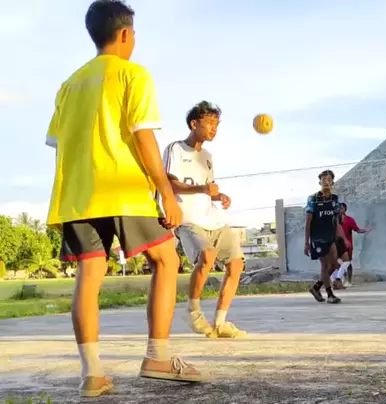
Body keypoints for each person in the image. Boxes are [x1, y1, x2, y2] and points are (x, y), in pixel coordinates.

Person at [45, 0, 205, 397]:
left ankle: (92, 374)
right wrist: (166, 193)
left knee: (89, 277)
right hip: (124, 188)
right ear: (124, 34)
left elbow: (58, 143)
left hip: (77, 195)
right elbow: (144, 137)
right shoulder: (133, 74)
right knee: (166, 260)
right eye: (134, 34)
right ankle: (158, 357)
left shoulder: (68, 85)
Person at [162, 101, 246, 339]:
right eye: (209, 123)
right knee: (207, 256)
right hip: (187, 219)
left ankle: (220, 323)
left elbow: (207, 188)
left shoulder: (207, 157)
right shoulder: (175, 149)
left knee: (236, 264)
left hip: (213, 218)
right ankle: (193, 312)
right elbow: (169, 184)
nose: (214, 128)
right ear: (193, 124)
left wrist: (219, 196)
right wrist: (202, 189)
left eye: (216, 124)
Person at [305, 170, 350, 304]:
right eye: (323, 179)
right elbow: (308, 222)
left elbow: (336, 222)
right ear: (319, 182)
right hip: (318, 238)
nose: (326, 181)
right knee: (325, 266)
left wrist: (343, 238)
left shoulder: (335, 199)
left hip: (330, 237)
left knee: (335, 264)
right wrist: (307, 242)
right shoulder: (313, 199)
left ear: (332, 183)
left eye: (329, 179)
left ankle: (316, 287)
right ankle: (330, 295)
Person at [331, 203, 372, 288]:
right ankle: (338, 279)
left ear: (345, 209)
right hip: (336, 244)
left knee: (348, 263)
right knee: (337, 262)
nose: (340, 210)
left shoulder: (349, 220)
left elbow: (357, 230)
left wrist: (365, 230)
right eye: (338, 208)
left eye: (341, 208)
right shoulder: (334, 219)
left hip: (347, 245)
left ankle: (348, 281)